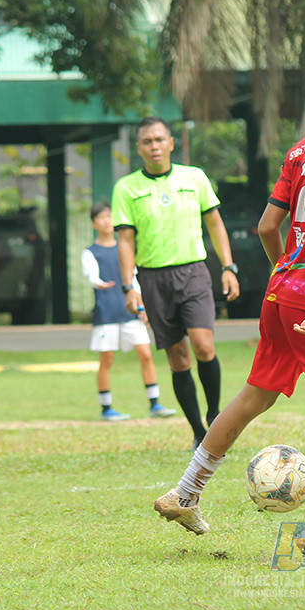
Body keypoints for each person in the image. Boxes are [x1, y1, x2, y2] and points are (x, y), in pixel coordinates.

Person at [153, 43, 305, 561]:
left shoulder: (300, 149)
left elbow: (266, 226)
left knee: (255, 395)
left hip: (282, 294)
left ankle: (185, 492)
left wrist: (287, 274)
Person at [112, 117, 241, 450]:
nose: (154, 146)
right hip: (154, 279)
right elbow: (125, 241)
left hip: (194, 272)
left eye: (159, 139)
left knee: (203, 346)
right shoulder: (126, 188)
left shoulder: (194, 177)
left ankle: (214, 416)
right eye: (146, 142)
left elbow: (215, 224)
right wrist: (129, 286)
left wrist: (228, 266)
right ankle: (198, 431)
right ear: (138, 148)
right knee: (178, 358)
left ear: (171, 142)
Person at [82, 202, 174, 421]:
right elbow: (91, 275)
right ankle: (106, 408)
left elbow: (134, 280)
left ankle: (155, 404)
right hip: (106, 314)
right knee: (107, 359)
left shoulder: (125, 249)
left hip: (130, 311)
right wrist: (98, 282)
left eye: (109, 217)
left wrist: (142, 306)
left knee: (145, 354)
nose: (107, 221)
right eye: (102, 217)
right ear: (94, 223)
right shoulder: (90, 252)